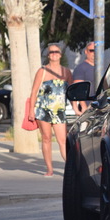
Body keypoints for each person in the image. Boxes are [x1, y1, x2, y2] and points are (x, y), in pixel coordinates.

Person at [27, 44, 73, 177]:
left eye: (56, 52)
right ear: (48, 55)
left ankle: (70, 167)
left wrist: (77, 105)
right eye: (51, 52)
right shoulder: (42, 71)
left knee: (62, 140)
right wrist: (31, 111)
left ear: (60, 54)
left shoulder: (66, 72)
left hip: (59, 110)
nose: (53, 54)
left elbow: (71, 90)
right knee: (46, 138)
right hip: (43, 110)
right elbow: (34, 91)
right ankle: (49, 169)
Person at [72, 41, 95, 115]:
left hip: (99, 107)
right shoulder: (81, 68)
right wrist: (83, 107)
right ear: (86, 52)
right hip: (87, 109)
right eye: (91, 50)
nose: (94, 53)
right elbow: (77, 89)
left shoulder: (100, 69)